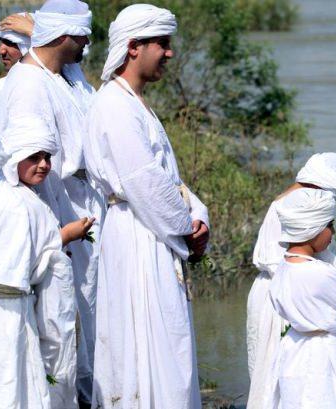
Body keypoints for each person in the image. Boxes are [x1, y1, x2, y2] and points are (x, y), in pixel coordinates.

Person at [84, 4, 210, 408]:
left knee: (167, 343)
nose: (170, 53)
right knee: (145, 342)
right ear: (134, 47)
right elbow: (145, 183)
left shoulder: (136, 104)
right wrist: (186, 231)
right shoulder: (114, 105)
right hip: (138, 233)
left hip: (155, 230)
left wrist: (199, 218)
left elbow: (169, 180)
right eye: (163, 43)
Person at [0, 1, 104, 403]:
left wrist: (36, 27)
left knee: (92, 314)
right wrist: (55, 232)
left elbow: (61, 51)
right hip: (57, 206)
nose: (88, 42)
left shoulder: (68, 75)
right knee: (63, 320)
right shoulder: (27, 84)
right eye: (82, 35)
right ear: (63, 36)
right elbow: (28, 161)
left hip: (86, 201)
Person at [246, 152, 336, 408]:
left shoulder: (301, 211)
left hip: (301, 293)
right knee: (275, 383)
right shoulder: (297, 209)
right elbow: (323, 278)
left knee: (285, 384)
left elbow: (330, 262)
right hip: (293, 301)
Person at [0, 117, 93, 408]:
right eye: (33, 157)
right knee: (13, 384)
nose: (44, 164)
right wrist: (64, 237)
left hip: (13, 308)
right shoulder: (17, 203)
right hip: (10, 312)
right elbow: (26, 263)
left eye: (47, 157)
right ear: (14, 158)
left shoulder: (8, 197)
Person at [0, 12, 32, 116]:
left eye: (10, 43)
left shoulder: (55, 85)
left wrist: (33, 32)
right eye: (1, 42)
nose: (1, 51)